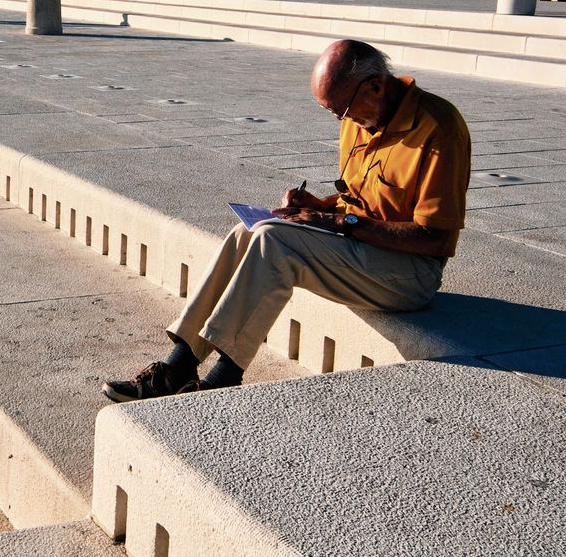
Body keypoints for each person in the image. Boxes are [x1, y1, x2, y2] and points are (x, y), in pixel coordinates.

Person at [102, 39, 471, 402]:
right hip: (363, 249)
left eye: (341, 109)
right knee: (248, 231)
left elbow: (434, 239)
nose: (341, 120)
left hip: (410, 274)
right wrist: (320, 207)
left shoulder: (439, 128)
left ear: (376, 86)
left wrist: (340, 224)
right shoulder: (360, 119)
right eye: (331, 111)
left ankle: (223, 379)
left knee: (274, 242)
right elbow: (360, 201)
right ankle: (180, 365)